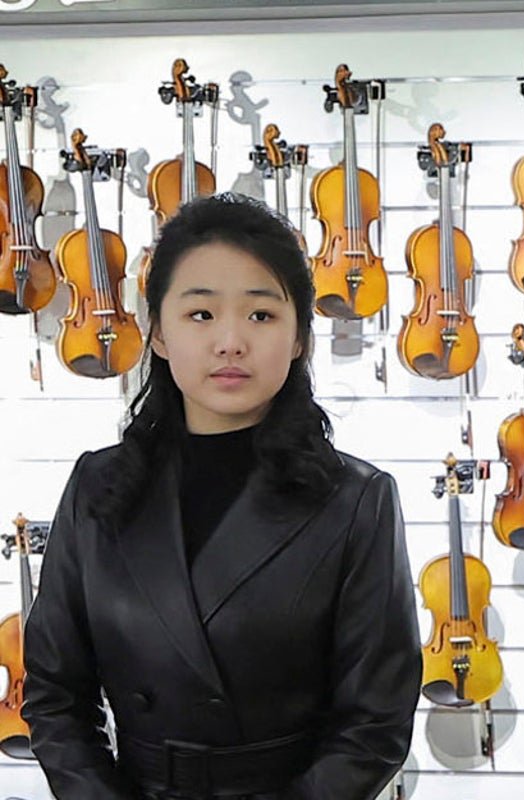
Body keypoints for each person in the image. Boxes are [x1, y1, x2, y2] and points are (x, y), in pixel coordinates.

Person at [22, 193, 422, 799]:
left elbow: (374, 726)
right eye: (201, 315)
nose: (231, 341)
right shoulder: (98, 488)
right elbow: (54, 696)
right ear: (157, 333)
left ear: (298, 339)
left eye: (261, 315)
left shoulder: (355, 501)